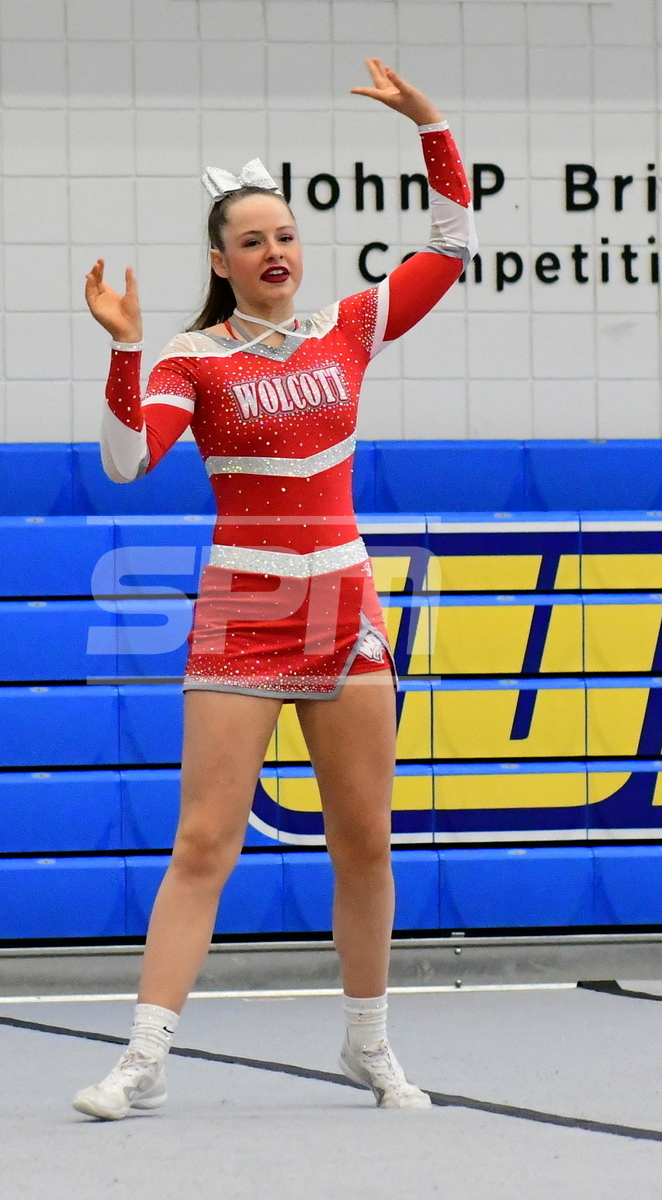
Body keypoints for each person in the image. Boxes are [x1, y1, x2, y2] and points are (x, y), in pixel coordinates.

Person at [73, 60, 476, 1120]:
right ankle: (144, 1058)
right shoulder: (191, 359)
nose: (274, 252)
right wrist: (124, 348)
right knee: (204, 841)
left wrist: (427, 122)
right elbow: (126, 461)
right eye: (251, 242)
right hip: (246, 613)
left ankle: (367, 1044)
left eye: (285, 235)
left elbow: (450, 244)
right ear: (221, 261)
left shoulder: (349, 329)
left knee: (364, 839)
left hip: (342, 606)